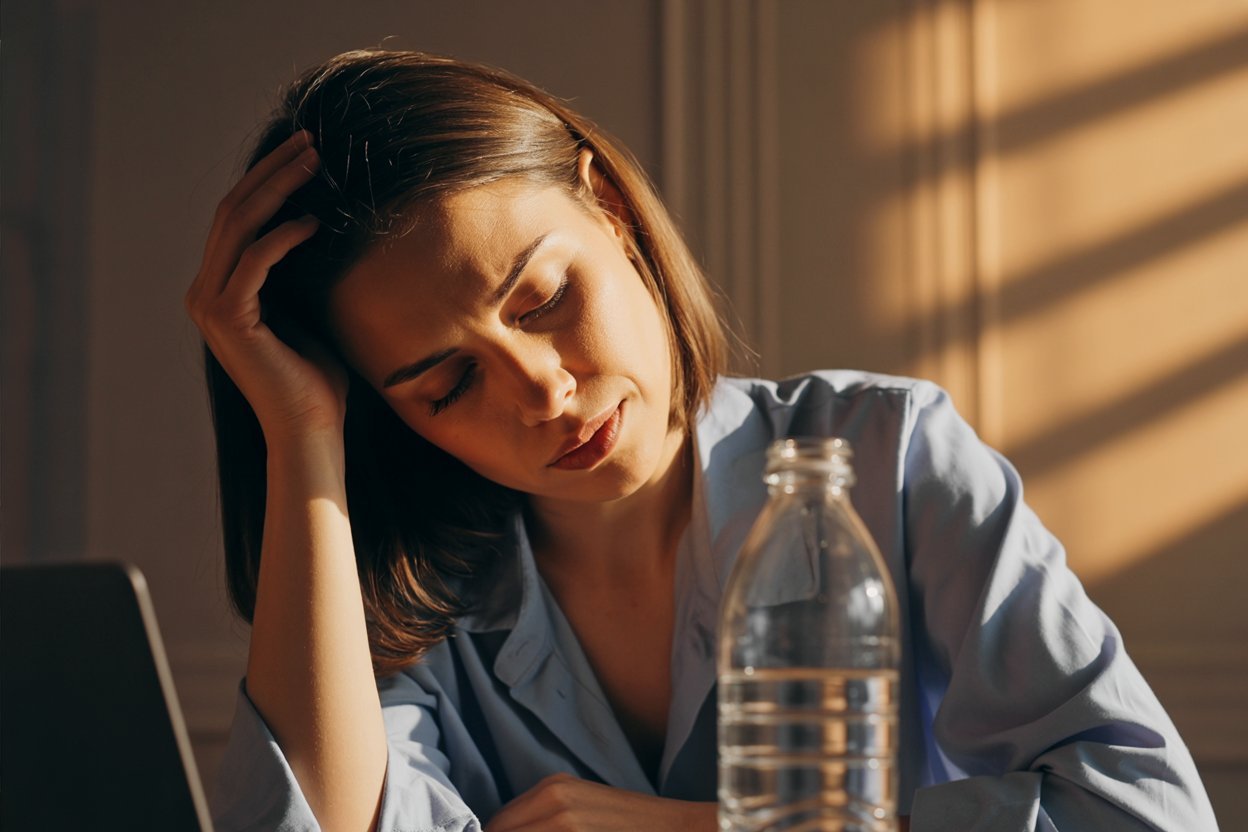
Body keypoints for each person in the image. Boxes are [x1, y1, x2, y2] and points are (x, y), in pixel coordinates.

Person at [188, 49, 1217, 832]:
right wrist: (301, 430)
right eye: (448, 383)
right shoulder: (408, 603)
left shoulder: (890, 458)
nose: (544, 390)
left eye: (544, 298)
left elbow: (1146, 811)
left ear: (614, 212)